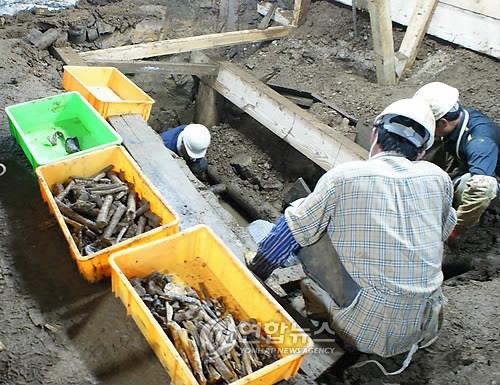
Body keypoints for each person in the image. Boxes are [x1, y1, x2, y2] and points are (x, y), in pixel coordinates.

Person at [247, 98, 457, 369]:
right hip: (422, 323)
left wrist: (257, 272)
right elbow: (443, 231)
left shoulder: (345, 177)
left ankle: (327, 316)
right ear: (420, 153)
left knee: (302, 216)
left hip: (364, 328)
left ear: (374, 135)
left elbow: (293, 228)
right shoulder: (439, 179)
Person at [415, 82, 499, 246]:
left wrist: (454, 231)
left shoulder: (480, 143)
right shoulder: (459, 119)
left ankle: (466, 225)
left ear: (443, 123)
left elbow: (482, 190)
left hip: (491, 180)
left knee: (470, 185)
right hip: (477, 165)